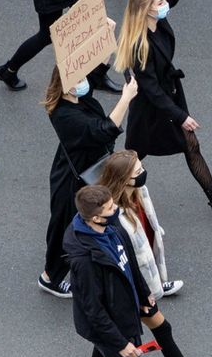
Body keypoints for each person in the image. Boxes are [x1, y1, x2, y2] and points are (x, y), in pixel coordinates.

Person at [83, 151, 212, 357]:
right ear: (123, 180)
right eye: (137, 172)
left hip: (138, 285)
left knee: (111, 334)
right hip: (131, 289)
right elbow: (126, 262)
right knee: (163, 330)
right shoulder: (115, 218)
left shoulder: (138, 194)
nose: (142, 174)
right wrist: (143, 293)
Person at [51, 184, 178, 357]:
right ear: (95, 217)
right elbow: (93, 310)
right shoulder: (84, 261)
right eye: (109, 208)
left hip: (126, 313)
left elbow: (129, 260)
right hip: (109, 326)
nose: (116, 210)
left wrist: (144, 294)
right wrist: (120, 344)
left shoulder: (111, 227)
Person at [117, 0, 212, 220]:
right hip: (150, 109)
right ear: (147, 11)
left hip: (167, 98)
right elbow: (152, 89)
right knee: (133, 157)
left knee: (190, 145)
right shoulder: (140, 46)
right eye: (158, 2)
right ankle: (109, 198)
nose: (164, 3)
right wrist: (181, 116)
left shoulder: (157, 20)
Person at [40, 68, 139, 296]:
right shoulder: (64, 114)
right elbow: (103, 131)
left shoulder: (77, 97)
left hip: (88, 171)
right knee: (63, 226)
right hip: (71, 181)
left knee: (100, 216)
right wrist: (126, 98)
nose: (85, 81)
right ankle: (50, 277)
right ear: (67, 85)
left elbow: (96, 71)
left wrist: (106, 34)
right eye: (79, 78)